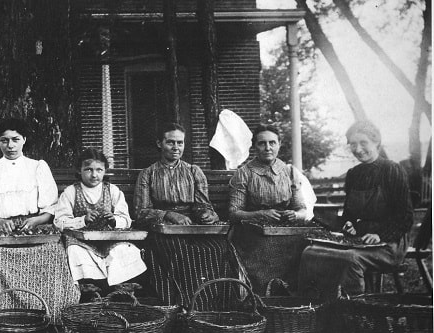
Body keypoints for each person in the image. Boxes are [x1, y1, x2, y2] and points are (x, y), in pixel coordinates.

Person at [0, 119, 79, 333]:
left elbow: (50, 209)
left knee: (55, 253)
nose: (10, 145)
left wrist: (36, 221)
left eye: (15, 140)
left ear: (24, 141)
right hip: (1, 234)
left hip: (34, 230)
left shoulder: (38, 167)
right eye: (4, 140)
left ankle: (52, 319)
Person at [133, 122, 245, 311]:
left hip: (192, 225)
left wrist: (208, 214)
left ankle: (215, 307)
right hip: (162, 229)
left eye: (180, 143)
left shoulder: (193, 171)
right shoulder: (148, 174)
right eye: (170, 142)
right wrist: (169, 214)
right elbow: (140, 211)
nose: (176, 147)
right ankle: (185, 306)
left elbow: (202, 205)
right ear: (159, 144)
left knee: (217, 248)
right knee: (182, 252)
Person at [298, 121, 413, 301]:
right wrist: (348, 224)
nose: (358, 149)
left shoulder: (392, 170)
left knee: (351, 258)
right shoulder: (353, 174)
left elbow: (405, 217)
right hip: (360, 240)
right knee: (310, 253)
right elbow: (349, 215)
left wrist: (380, 235)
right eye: (353, 144)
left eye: (363, 143)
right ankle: (320, 307)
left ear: (376, 142)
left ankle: (359, 313)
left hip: (390, 243)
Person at [228, 124, 312, 295]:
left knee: (307, 252)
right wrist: (260, 214)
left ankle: (292, 303)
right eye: (262, 143)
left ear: (279, 144)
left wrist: (295, 214)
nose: (268, 148)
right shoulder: (244, 173)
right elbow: (234, 212)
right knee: (263, 254)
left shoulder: (289, 172)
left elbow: (302, 209)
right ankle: (263, 299)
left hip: (286, 234)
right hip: (253, 235)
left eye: (272, 143)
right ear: (254, 147)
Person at [54, 148, 146, 288]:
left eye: (99, 170)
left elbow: (126, 219)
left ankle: (116, 287)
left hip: (109, 240)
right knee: (74, 252)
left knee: (125, 250)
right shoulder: (71, 192)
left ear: (105, 171)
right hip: (81, 242)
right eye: (88, 169)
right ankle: (91, 286)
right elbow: (59, 221)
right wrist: (83, 220)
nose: (94, 175)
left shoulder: (112, 190)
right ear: (79, 170)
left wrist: (115, 220)